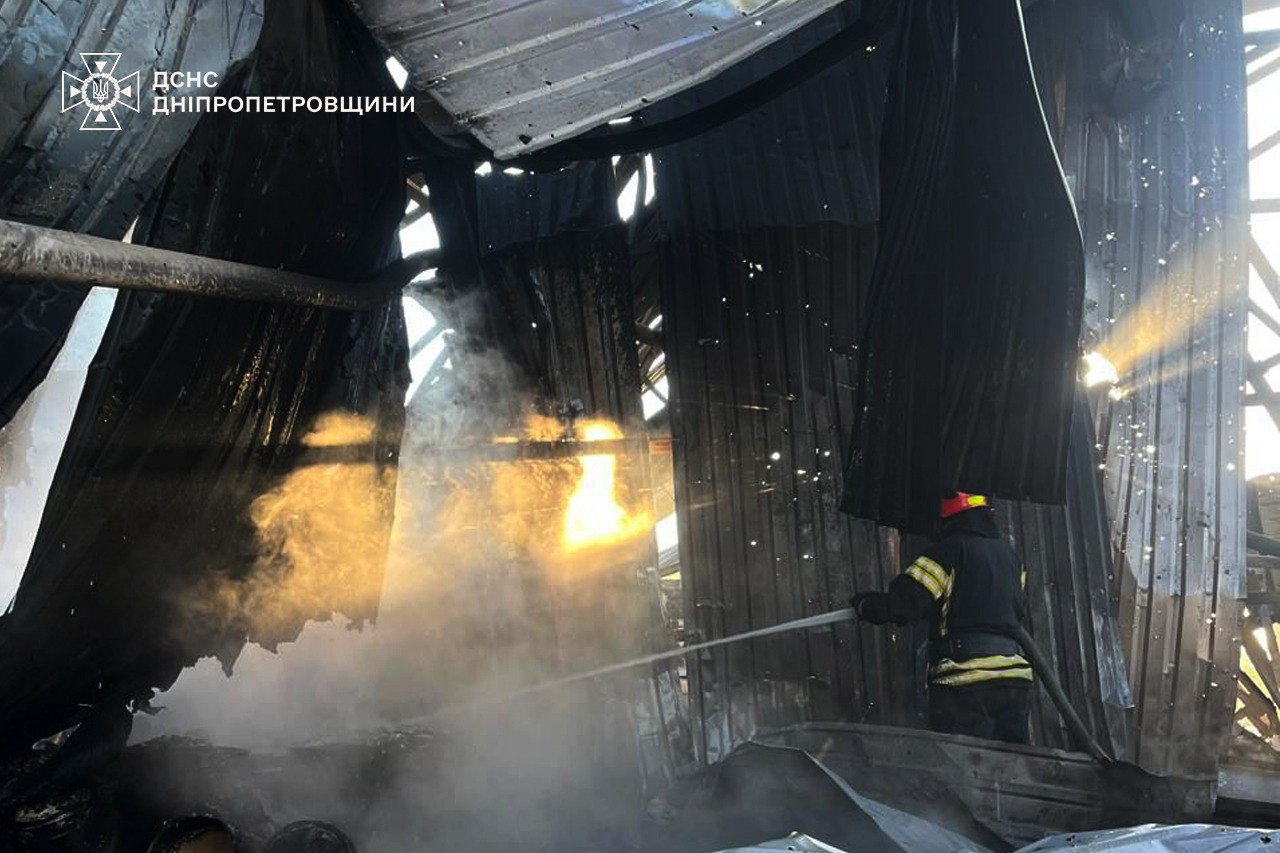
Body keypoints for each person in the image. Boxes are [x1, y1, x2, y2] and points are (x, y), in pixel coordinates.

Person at [851, 492, 1032, 744]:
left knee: (965, 761)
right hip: (1013, 679)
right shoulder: (1010, 557)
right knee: (1016, 761)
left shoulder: (946, 553)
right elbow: (1002, 607)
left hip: (965, 679)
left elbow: (904, 605)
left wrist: (865, 605)